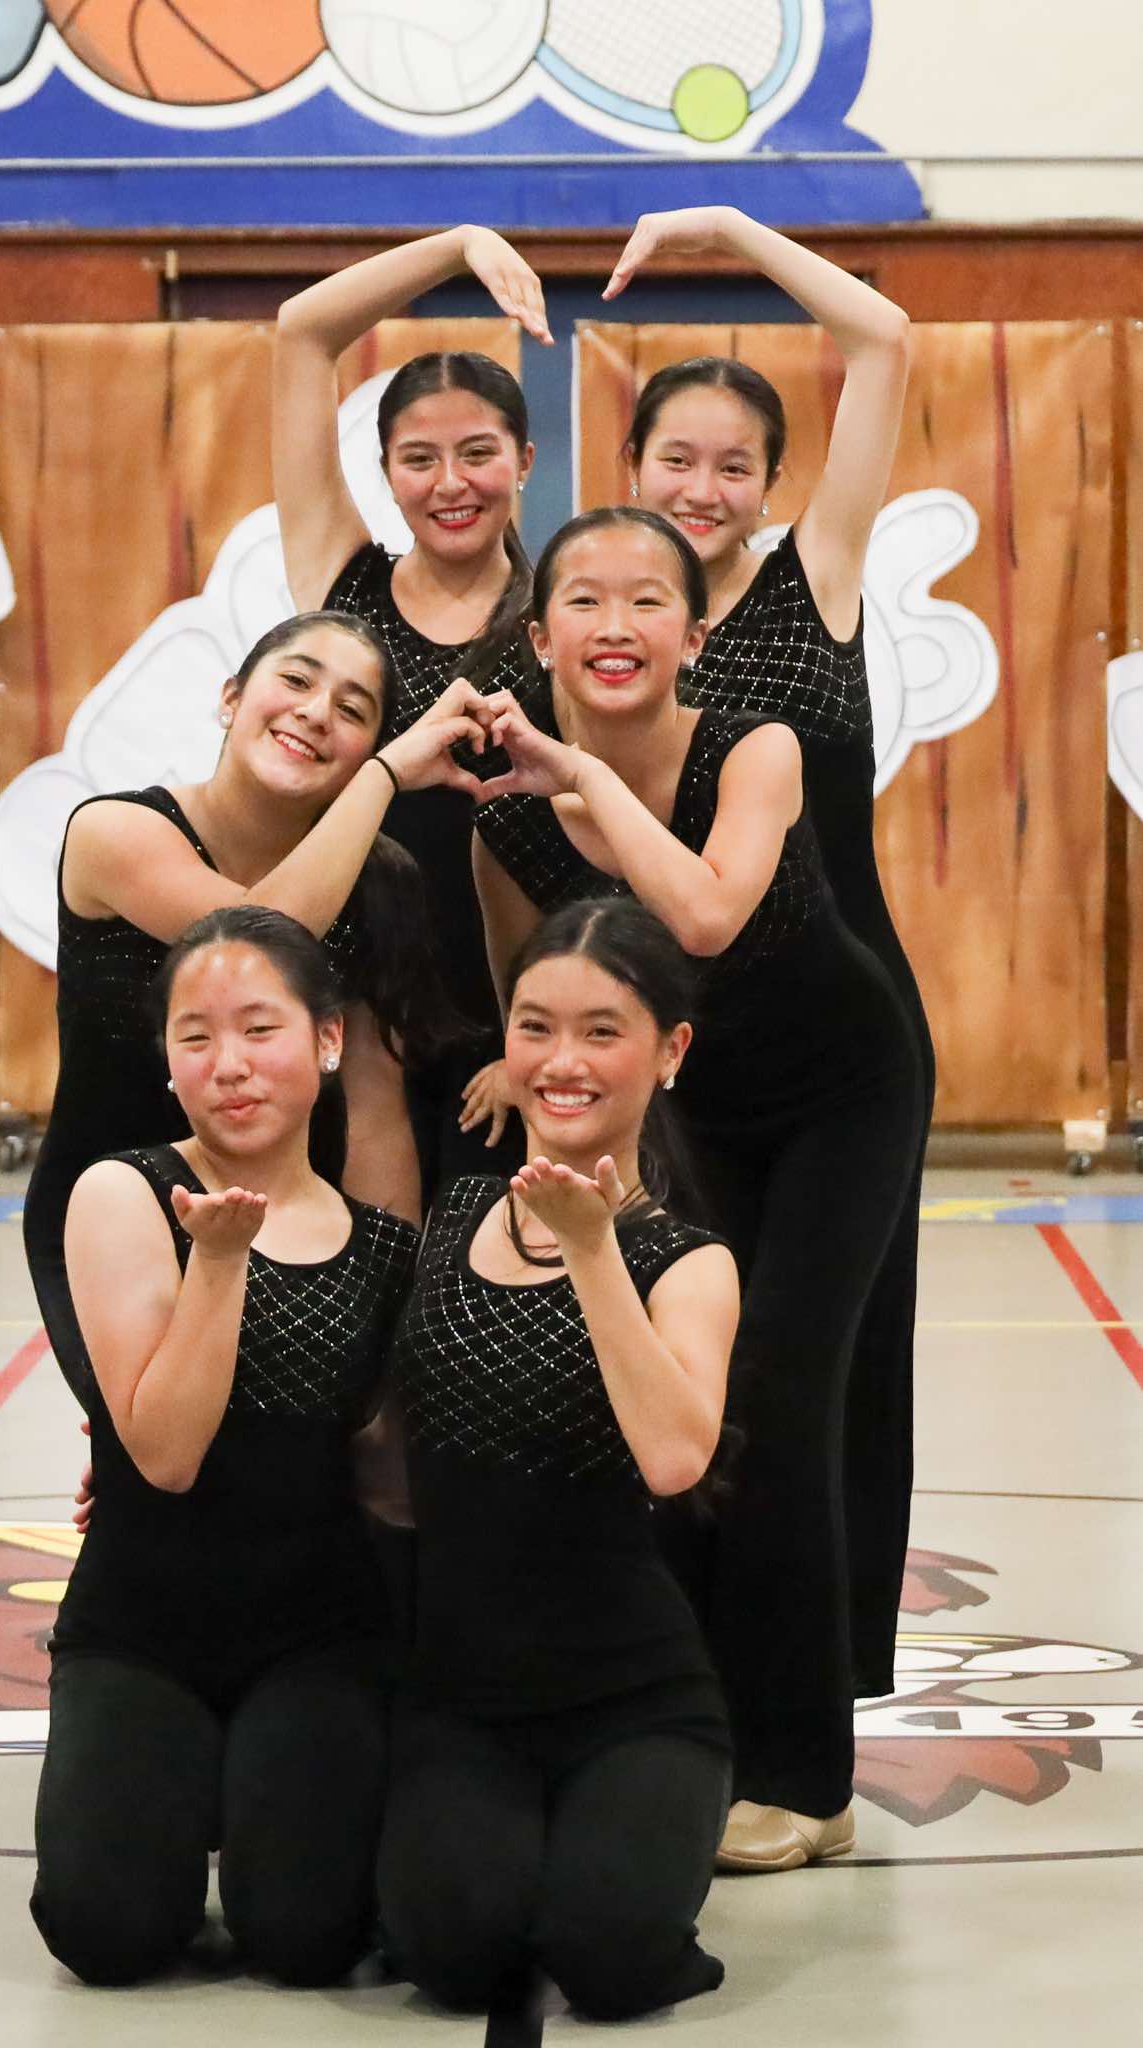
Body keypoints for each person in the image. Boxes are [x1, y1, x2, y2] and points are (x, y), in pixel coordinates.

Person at [471, 507, 924, 1870]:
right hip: (688, 1110)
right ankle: (687, 1731)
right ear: (537, 634)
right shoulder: (509, 825)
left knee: (780, 1404)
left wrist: (581, 778)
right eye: (583, 601)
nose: (614, 626)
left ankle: (807, 1779)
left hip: (842, 1092)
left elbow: (706, 913)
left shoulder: (754, 746)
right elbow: (535, 1001)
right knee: (683, 1414)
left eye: (647, 601)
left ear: (696, 634)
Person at [608, 203, 935, 1707]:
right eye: (675, 458)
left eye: (733, 464)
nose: (702, 486)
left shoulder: (819, 577)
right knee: (696, 1356)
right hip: (684, 1045)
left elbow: (883, 337)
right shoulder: (616, 616)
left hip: (843, 1023)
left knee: (830, 1360)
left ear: (773, 483)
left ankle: (824, 1679)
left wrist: (733, 227)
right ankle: (695, 1670)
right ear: (628, 468)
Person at [30, 907, 418, 1987]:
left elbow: (393, 1478)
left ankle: (256, 1796)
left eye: (259, 1028)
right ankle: (177, 1791)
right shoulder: (122, 1193)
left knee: (306, 1939)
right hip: (140, 1624)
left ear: (327, 1040)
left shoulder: (384, 1247)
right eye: (195, 1036)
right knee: (105, 1932)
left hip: (314, 1632)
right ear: (166, 1060)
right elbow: (163, 1455)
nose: (229, 1064)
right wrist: (219, 1260)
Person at [380, 898, 737, 2019]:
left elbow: (675, 1456)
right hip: (462, 1699)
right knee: (453, 1954)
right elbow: (376, 1435)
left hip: (632, 1697)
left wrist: (593, 1248)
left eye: (602, 1030)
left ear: (669, 1051)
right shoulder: (454, 1214)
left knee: (610, 1959)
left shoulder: (689, 1263)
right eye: (534, 1026)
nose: (562, 1061)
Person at [23, 609, 491, 1402]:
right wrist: (382, 778)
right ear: (231, 698)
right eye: (297, 680)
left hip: (297, 1231)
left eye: (353, 711)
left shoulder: (381, 880)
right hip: (117, 1219)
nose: (316, 712)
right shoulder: (117, 831)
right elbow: (258, 945)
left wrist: (389, 1291)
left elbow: (375, 1107)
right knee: (164, 1445)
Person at [274, 228, 552, 1188]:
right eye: (418, 458)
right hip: (358, 1010)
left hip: (510, 1027)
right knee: (366, 1259)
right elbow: (302, 332)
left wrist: (538, 1035)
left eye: (478, 454)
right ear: (386, 469)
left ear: (523, 459)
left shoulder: (562, 616)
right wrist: (460, 245)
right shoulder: (343, 586)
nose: (449, 484)